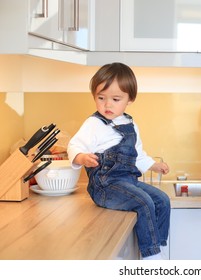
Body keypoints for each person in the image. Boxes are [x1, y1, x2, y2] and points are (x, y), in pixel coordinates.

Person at [67, 62, 170, 260]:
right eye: (101, 98)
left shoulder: (130, 124)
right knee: (144, 202)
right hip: (105, 187)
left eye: (115, 99)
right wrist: (82, 157)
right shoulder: (94, 124)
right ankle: (151, 256)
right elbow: (74, 145)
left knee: (162, 200)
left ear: (129, 99)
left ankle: (158, 245)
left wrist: (154, 165)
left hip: (127, 183)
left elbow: (137, 155)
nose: (107, 105)